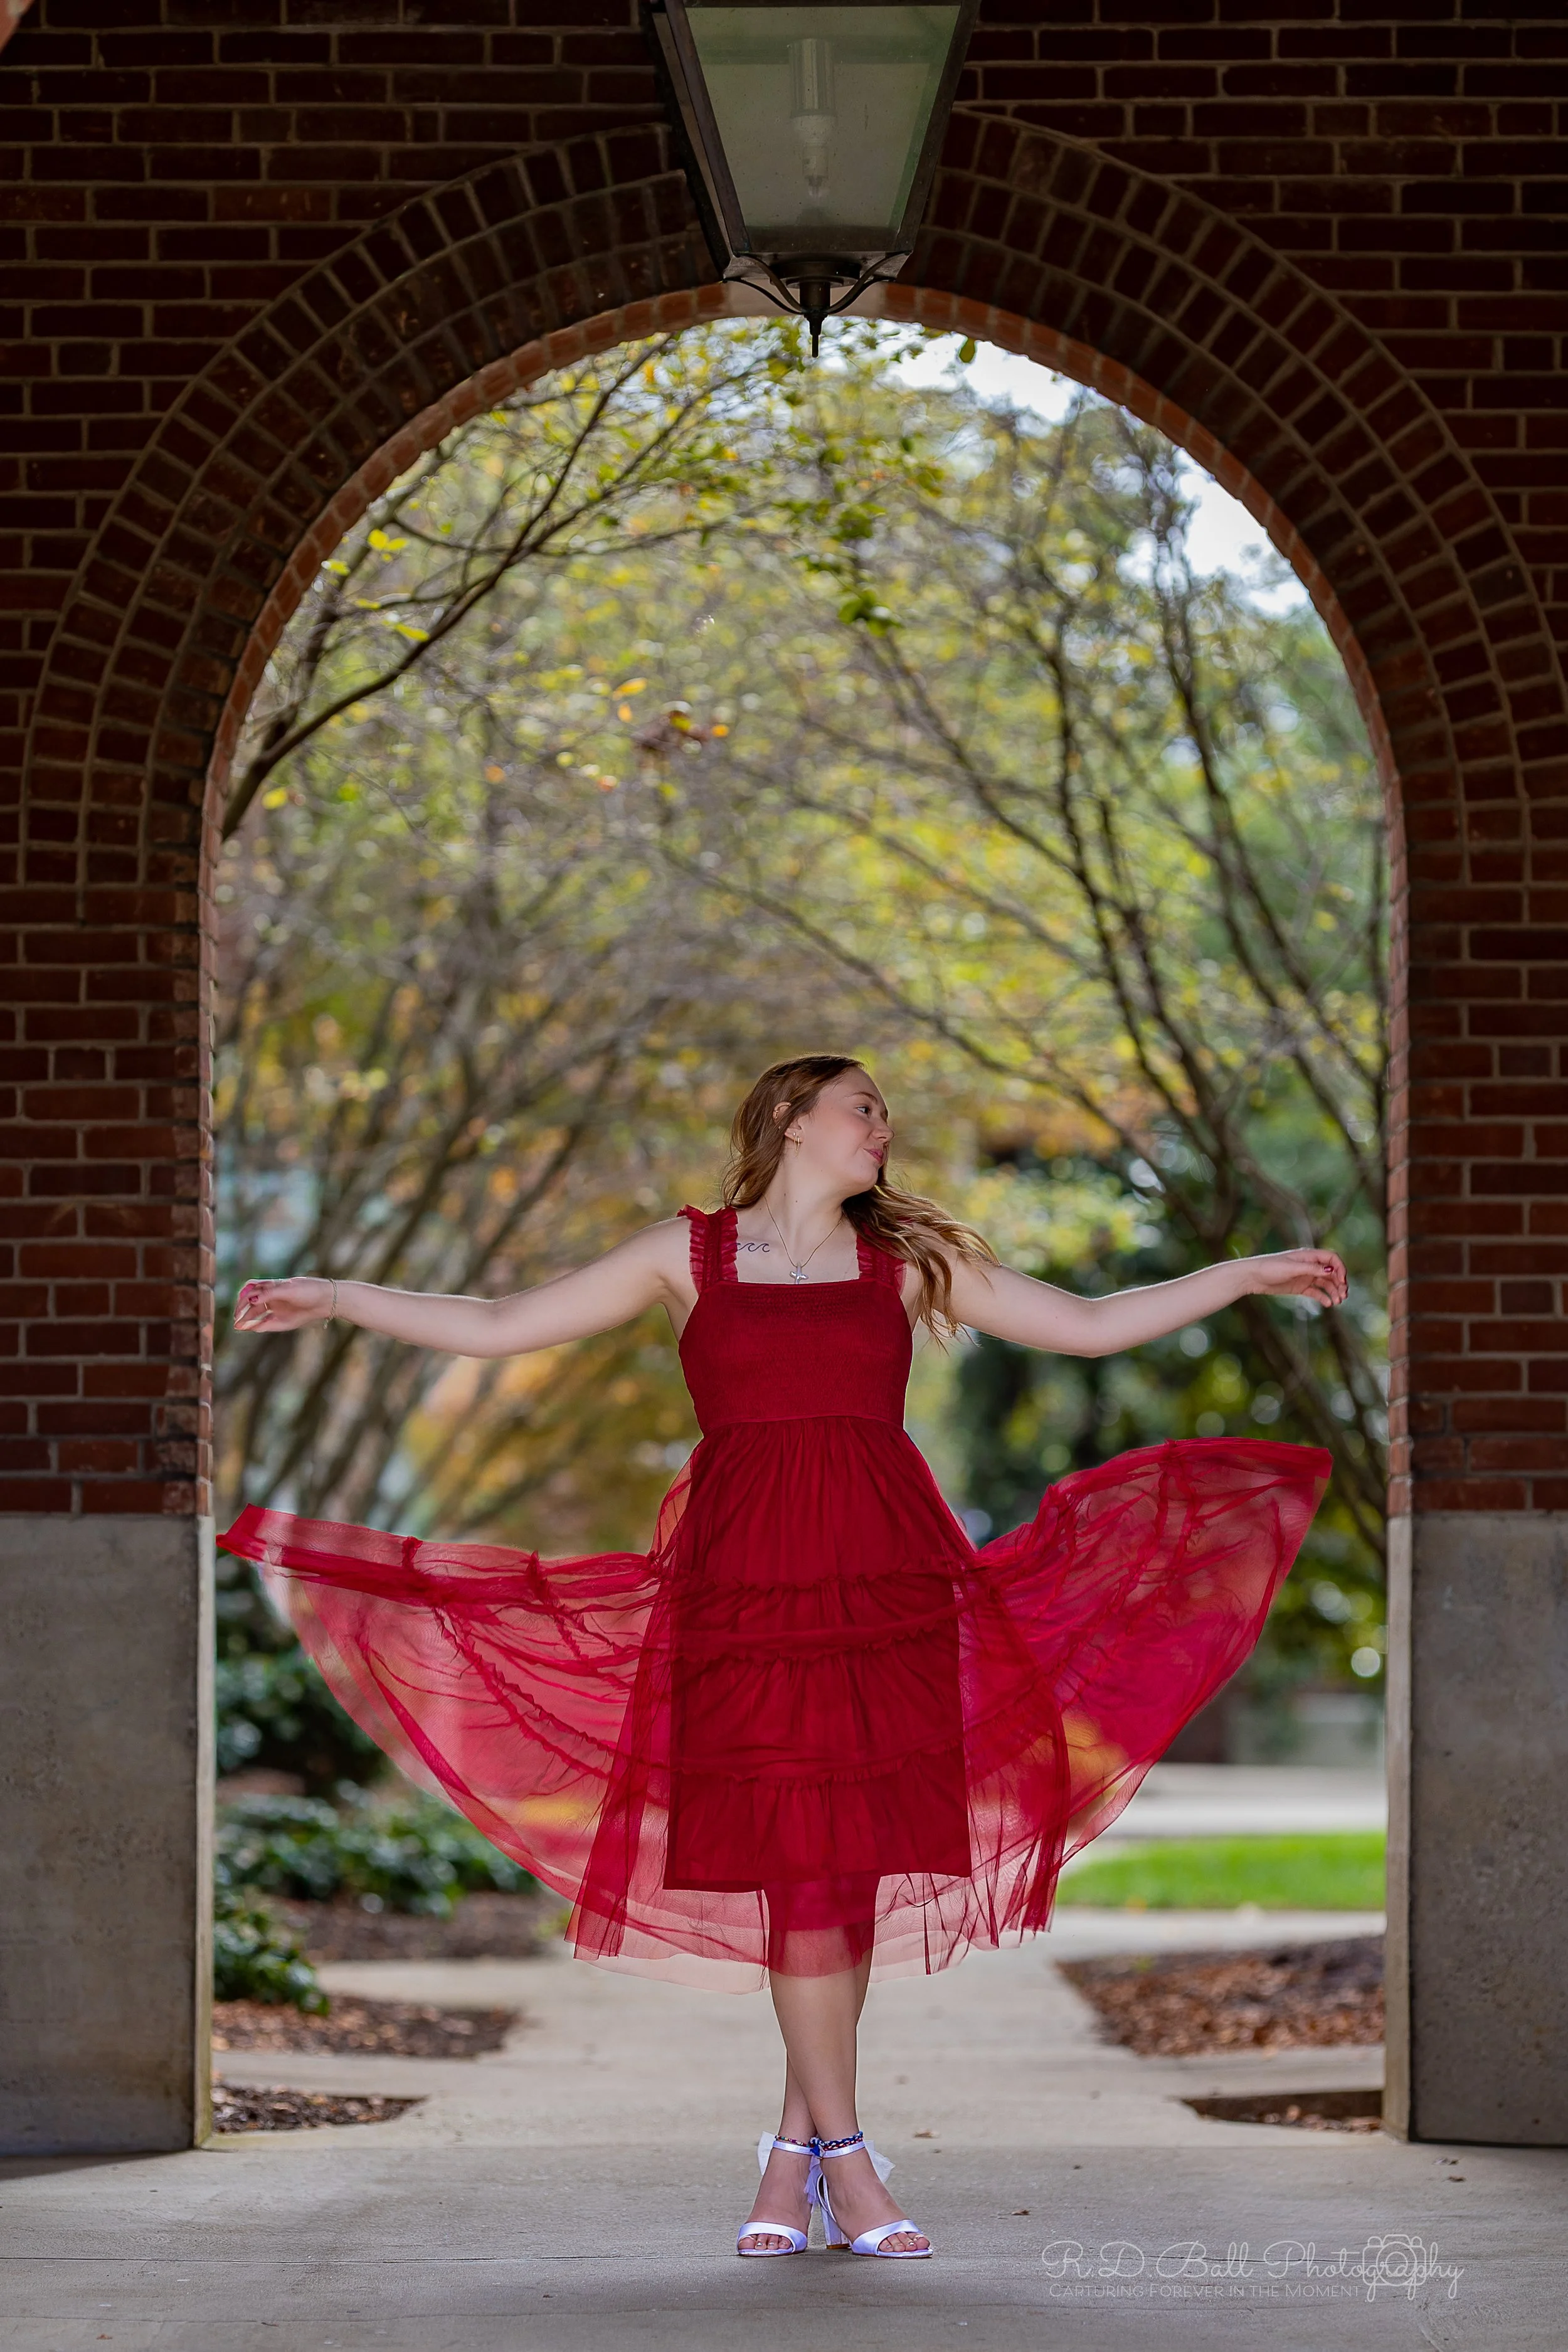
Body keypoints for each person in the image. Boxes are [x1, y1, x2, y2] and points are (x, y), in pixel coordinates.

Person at [224, 1052, 1342, 2261]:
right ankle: (842, 2160)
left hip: (887, 1589)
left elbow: (1087, 1324)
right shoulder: (685, 1253)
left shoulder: (905, 1260)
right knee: (797, 1873)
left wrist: (1246, 1276)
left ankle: (799, 2152)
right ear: (790, 1119)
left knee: (841, 1874)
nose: (883, 1127)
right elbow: (499, 1326)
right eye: (865, 1107)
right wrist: (336, 1295)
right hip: (743, 1595)